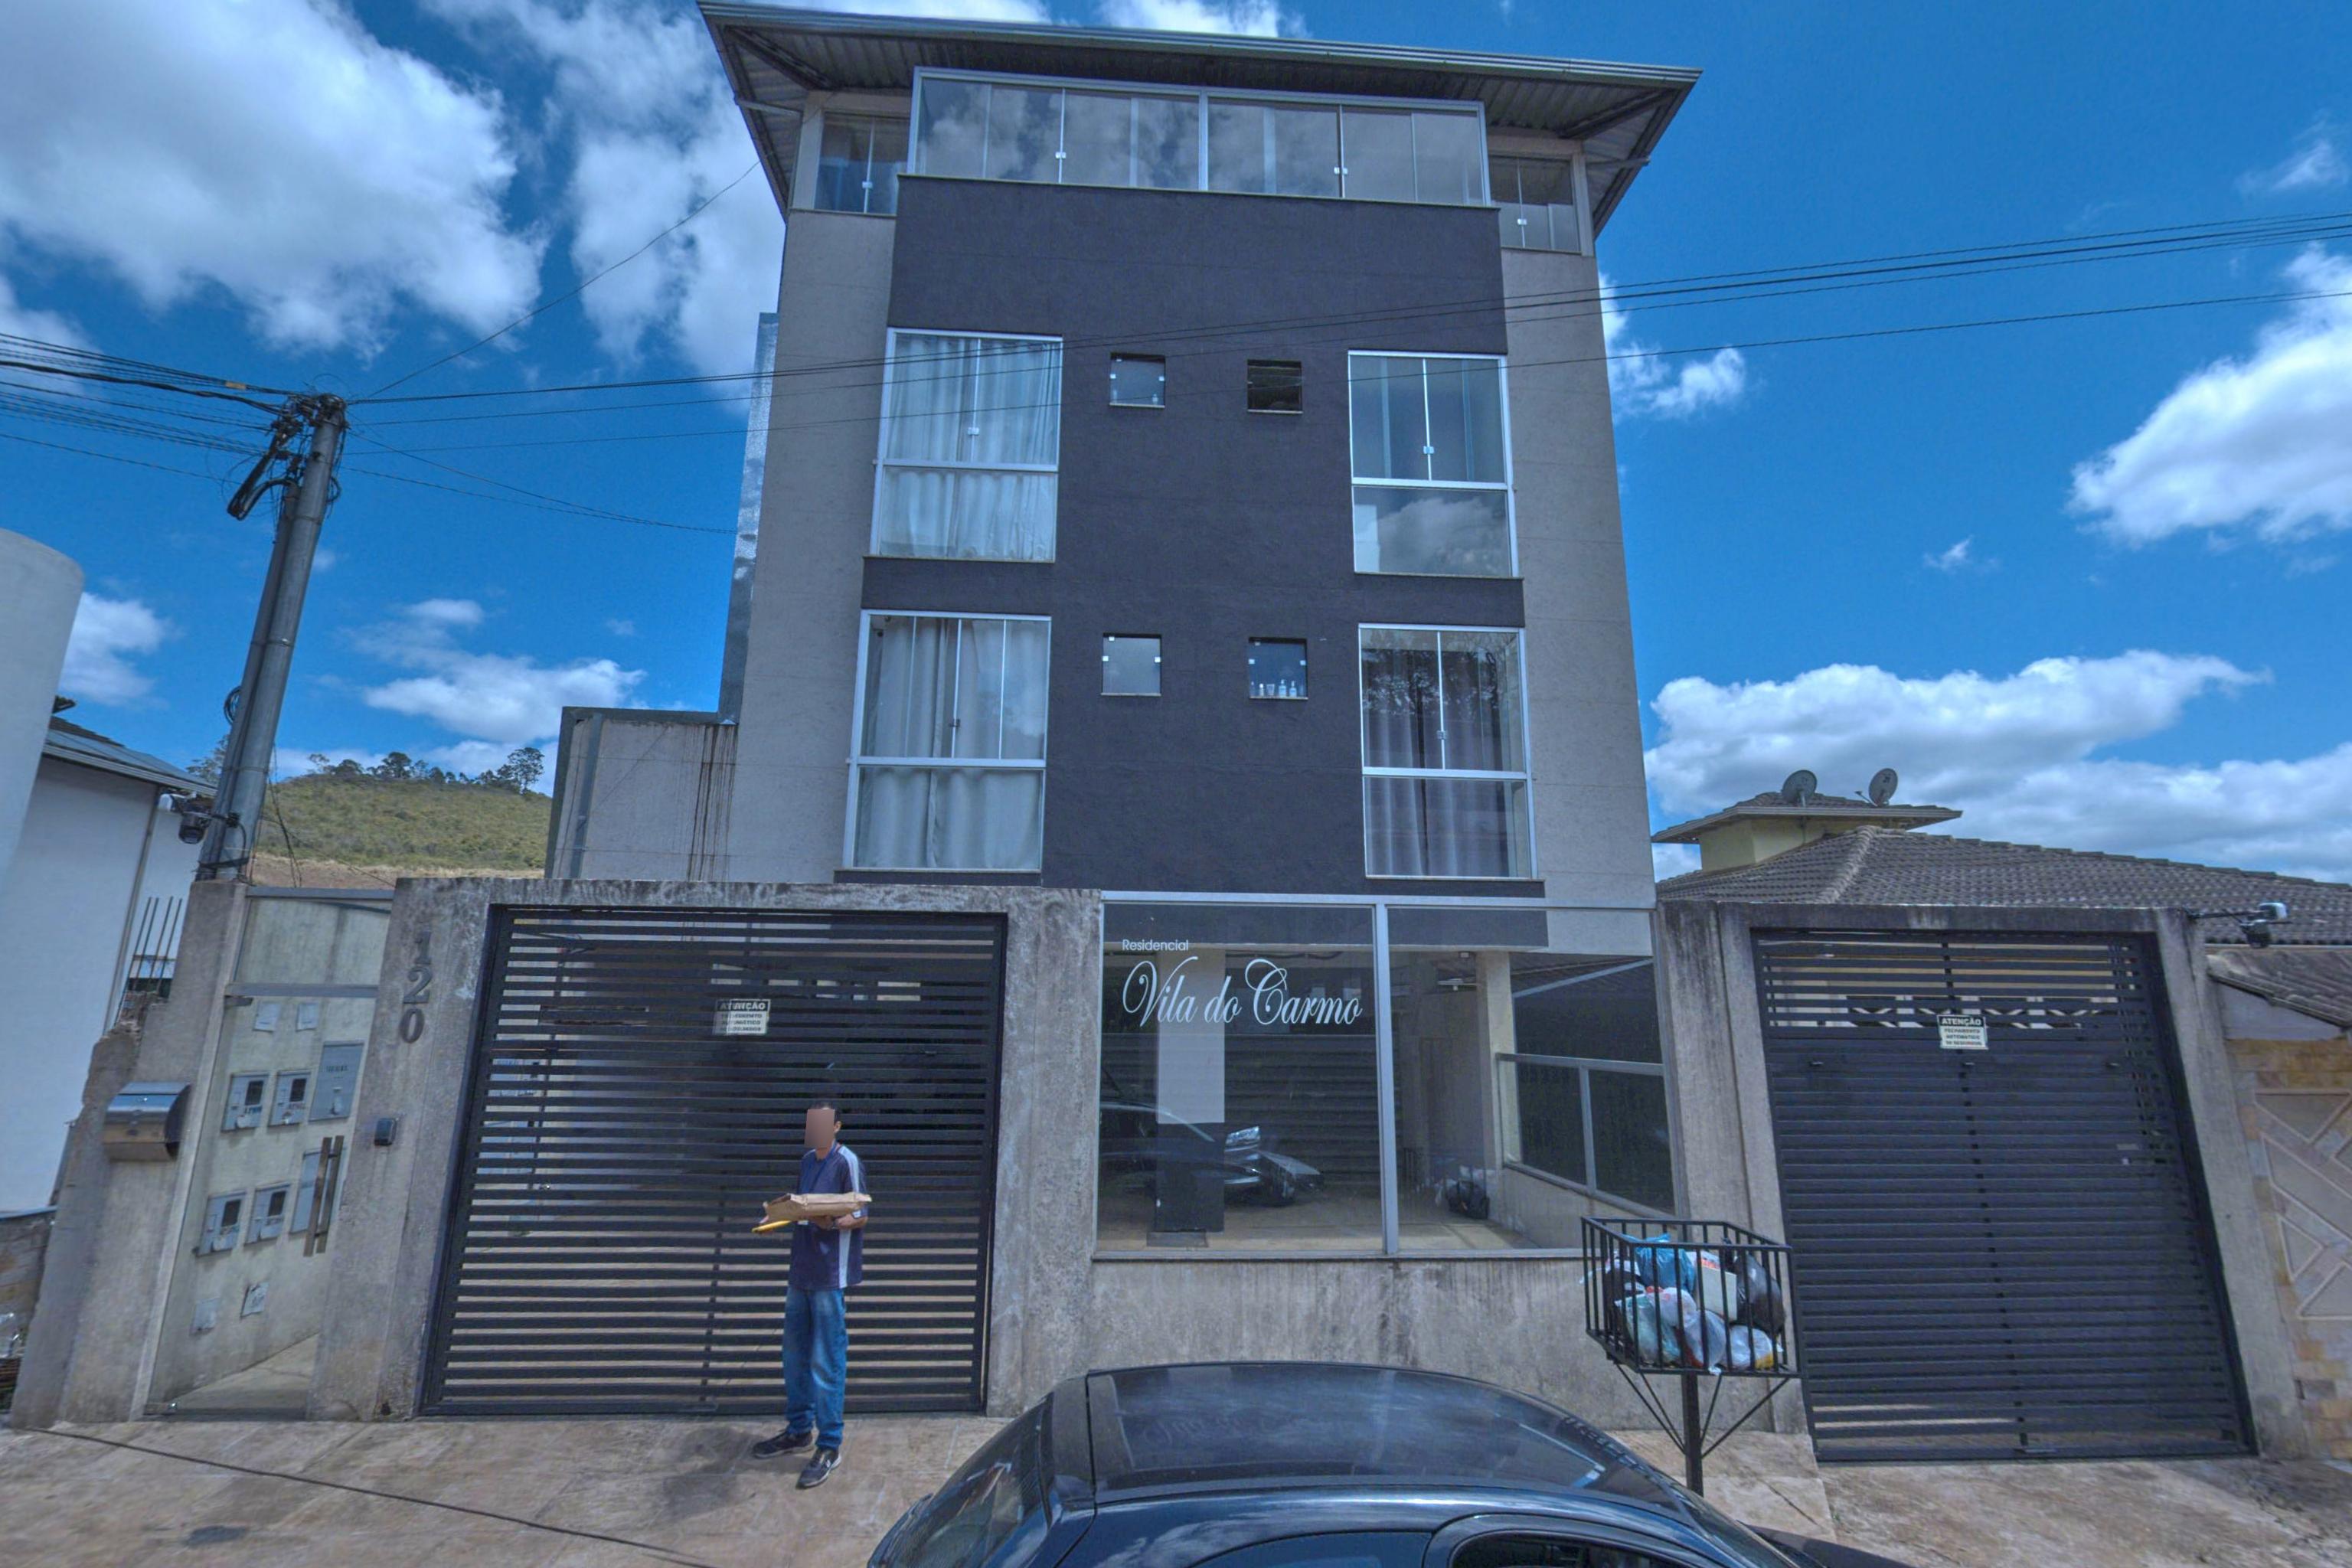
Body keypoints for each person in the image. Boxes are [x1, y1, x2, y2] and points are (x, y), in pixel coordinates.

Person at [752, 1099, 867, 1488]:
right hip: (800, 1272)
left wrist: (831, 1222)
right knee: (794, 1355)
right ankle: (798, 1430)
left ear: (836, 1127)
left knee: (826, 1359)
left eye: (823, 1123)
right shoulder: (806, 1162)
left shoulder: (847, 1162)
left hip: (829, 1275)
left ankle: (829, 1445)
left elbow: (861, 1213)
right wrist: (777, 1215)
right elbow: (800, 1206)